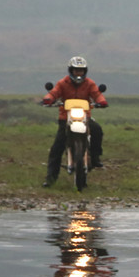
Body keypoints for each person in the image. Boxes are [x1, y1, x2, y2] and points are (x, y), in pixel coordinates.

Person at [41, 56, 107, 187]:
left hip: (84, 117)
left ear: (85, 71)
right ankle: (50, 179)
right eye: (76, 70)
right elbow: (54, 93)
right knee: (57, 148)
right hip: (66, 118)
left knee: (97, 130)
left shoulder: (89, 83)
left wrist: (101, 101)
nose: (79, 73)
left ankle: (95, 157)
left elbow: (96, 94)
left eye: (81, 71)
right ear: (71, 71)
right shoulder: (62, 83)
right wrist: (48, 98)